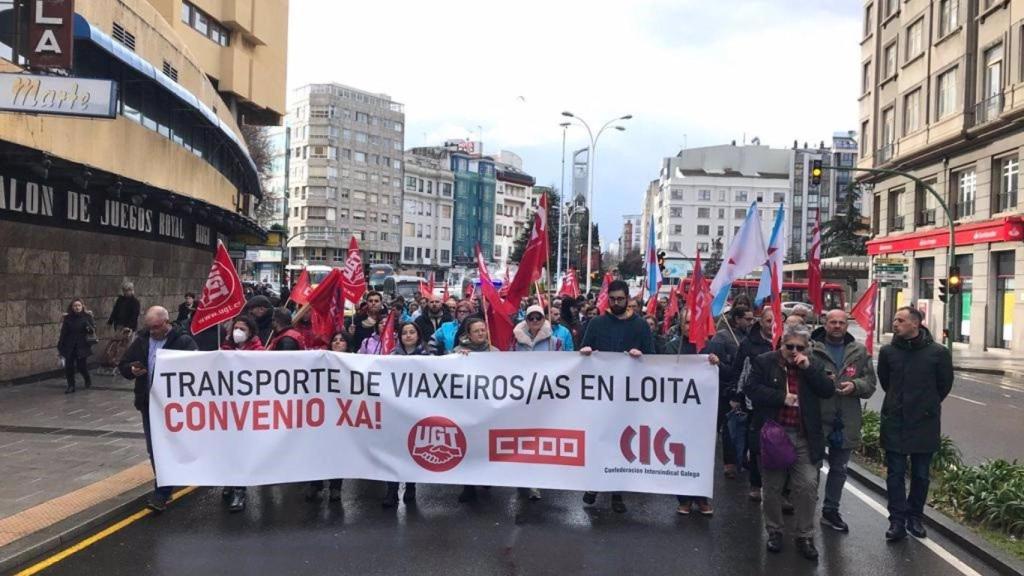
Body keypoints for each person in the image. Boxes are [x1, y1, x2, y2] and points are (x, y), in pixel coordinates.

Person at [746, 324, 835, 560]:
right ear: (781, 343)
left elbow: (827, 390)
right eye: (789, 346)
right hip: (775, 436)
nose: (793, 351)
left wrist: (809, 369)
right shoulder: (764, 361)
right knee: (773, 488)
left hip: (804, 436)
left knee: (807, 486)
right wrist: (781, 397)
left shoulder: (812, 364)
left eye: (799, 347)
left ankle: (804, 535)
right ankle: (774, 531)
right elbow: (751, 389)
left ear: (806, 348)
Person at [579, 280, 655, 514]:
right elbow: (584, 350)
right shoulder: (597, 323)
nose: (616, 303)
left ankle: (617, 492)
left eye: (620, 299)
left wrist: (640, 356)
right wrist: (587, 353)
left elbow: (652, 357)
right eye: (612, 299)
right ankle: (594, 484)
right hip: (601, 395)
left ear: (628, 298)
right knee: (599, 441)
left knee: (622, 443)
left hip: (628, 397)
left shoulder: (640, 326)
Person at [878, 307, 953, 542]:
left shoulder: (938, 353)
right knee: (895, 474)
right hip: (895, 421)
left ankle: (915, 517)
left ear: (915, 324)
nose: (895, 323)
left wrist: (927, 406)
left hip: (924, 423)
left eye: (900, 320)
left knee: (921, 475)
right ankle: (897, 521)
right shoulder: (888, 352)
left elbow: (944, 385)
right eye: (895, 319)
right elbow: (885, 381)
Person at [118, 306, 198, 512]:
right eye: (149, 327)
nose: (152, 331)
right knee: (154, 448)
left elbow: (196, 369)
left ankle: (171, 481)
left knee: (174, 446)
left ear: (166, 322)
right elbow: (124, 364)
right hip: (149, 403)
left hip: (176, 407)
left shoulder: (183, 341)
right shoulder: (143, 340)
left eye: (155, 327)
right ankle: (162, 490)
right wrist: (131, 370)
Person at [810, 309, 877, 533]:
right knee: (812, 468)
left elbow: (870, 384)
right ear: (825, 324)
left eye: (841, 322)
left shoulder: (858, 351)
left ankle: (831, 510)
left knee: (839, 468)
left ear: (847, 325)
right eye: (833, 322)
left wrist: (855, 386)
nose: (837, 326)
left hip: (846, 419)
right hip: (817, 417)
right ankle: (807, 508)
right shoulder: (811, 348)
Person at [664, 312, 721, 515]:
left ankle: (701, 497)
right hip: (679, 410)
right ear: (681, 325)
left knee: (702, 453)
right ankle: (684, 498)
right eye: (686, 322)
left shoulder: (710, 347)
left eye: (694, 322)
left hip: (703, 410)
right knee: (680, 453)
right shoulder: (672, 346)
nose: (690, 326)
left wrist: (716, 363)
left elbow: (726, 373)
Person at [730, 307, 776, 501]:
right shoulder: (749, 344)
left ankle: (782, 491)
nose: (772, 325)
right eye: (768, 321)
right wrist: (736, 396)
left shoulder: (786, 343)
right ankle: (756, 483)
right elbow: (738, 370)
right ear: (761, 322)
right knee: (756, 444)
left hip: (780, 402)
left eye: (775, 321)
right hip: (755, 402)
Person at [218, 316, 264, 511]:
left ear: (250, 332)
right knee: (228, 449)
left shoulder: (259, 352)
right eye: (235, 327)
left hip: (248, 410)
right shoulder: (225, 349)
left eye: (242, 328)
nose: (237, 331)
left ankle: (240, 491)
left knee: (241, 450)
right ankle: (230, 481)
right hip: (227, 409)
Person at [705, 305, 754, 479]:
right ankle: (729, 463)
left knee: (745, 426)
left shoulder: (750, 337)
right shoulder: (721, 338)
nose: (751, 322)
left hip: (746, 390)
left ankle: (743, 458)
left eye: (752, 319)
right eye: (747, 319)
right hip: (725, 389)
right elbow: (717, 367)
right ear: (737, 319)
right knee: (727, 427)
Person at [451, 316, 497, 503]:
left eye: (482, 330)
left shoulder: (495, 351)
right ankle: (468, 486)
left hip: (488, 408)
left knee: (485, 446)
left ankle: (485, 477)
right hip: (465, 409)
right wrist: (457, 359)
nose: (480, 333)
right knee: (467, 447)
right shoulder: (457, 352)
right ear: (468, 334)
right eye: (476, 331)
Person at [384, 322, 428, 507]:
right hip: (395, 411)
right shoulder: (391, 357)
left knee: (412, 450)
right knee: (392, 451)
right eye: (404, 333)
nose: (408, 336)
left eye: (412, 332)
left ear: (418, 335)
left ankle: (411, 487)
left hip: (417, 411)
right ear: (399, 337)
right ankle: (391, 490)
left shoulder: (429, 357)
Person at [57, 299, 96, 394]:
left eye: (79, 305)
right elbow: (63, 333)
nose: (77, 307)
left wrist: (88, 326)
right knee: (69, 366)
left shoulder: (87, 316)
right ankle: (71, 385)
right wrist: (60, 346)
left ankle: (87, 378)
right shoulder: (68, 318)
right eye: (75, 306)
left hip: (82, 345)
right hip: (70, 345)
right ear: (72, 307)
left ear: (82, 306)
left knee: (81, 366)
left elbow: (92, 330)